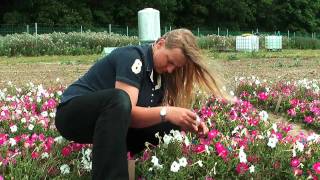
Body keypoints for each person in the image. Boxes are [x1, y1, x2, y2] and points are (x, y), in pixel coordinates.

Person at [55, 28, 228, 180]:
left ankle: (143, 170)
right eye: (169, 61)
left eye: (176, 67)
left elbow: (157, 116)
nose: (170, 69)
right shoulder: (133, 58)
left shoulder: (160, 76)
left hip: (109, 124)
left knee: (170, 124)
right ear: (160, 44)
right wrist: (168, 112)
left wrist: (188, 121)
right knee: (120, 99)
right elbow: (127, 114)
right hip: (73, 114)